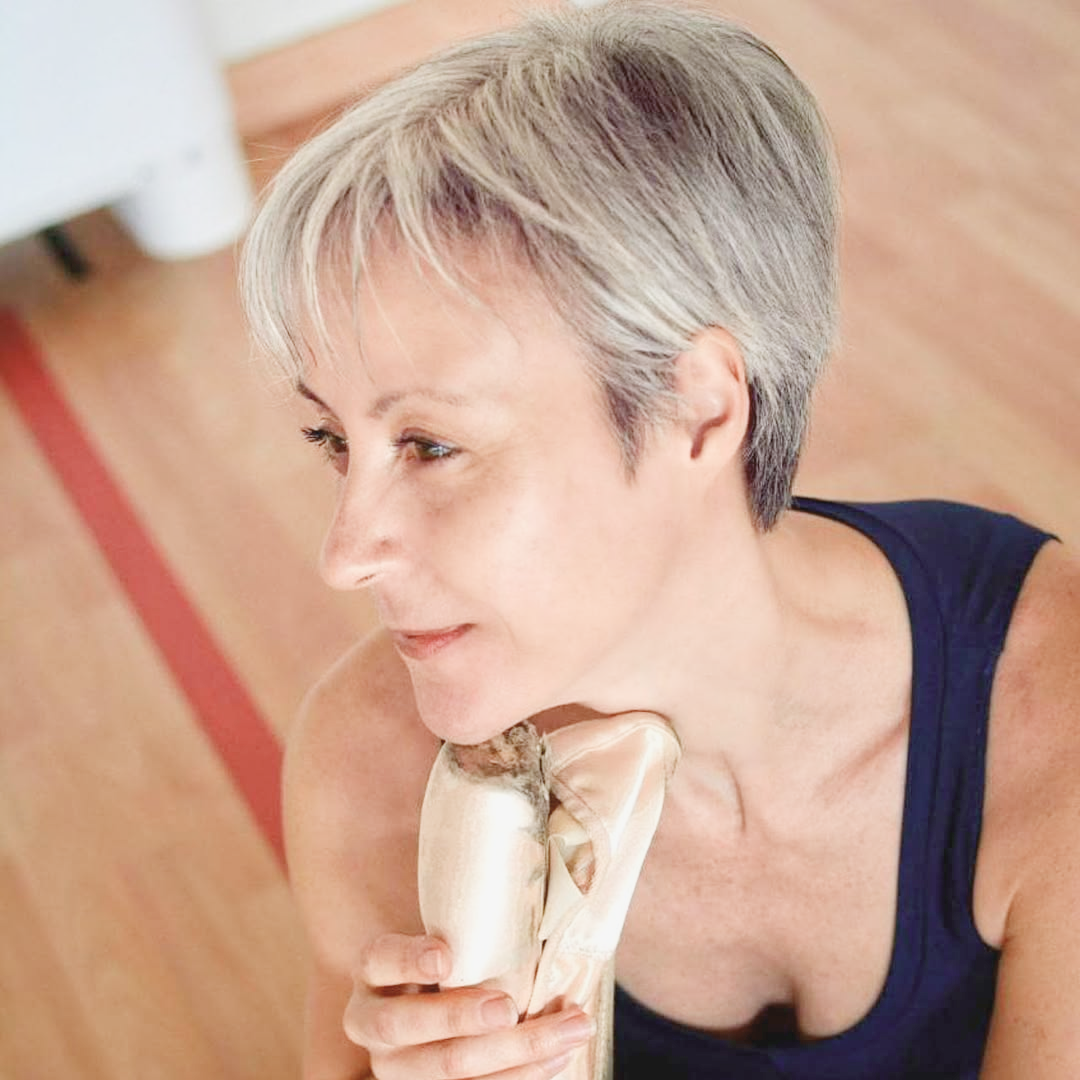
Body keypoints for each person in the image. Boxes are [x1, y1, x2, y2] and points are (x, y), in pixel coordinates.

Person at [239, 2, 1080, 1077]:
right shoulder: (370, 768)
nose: (346, 553)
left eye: (432, 445)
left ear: (698, 409)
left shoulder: (1047, 710)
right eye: (333, 440)